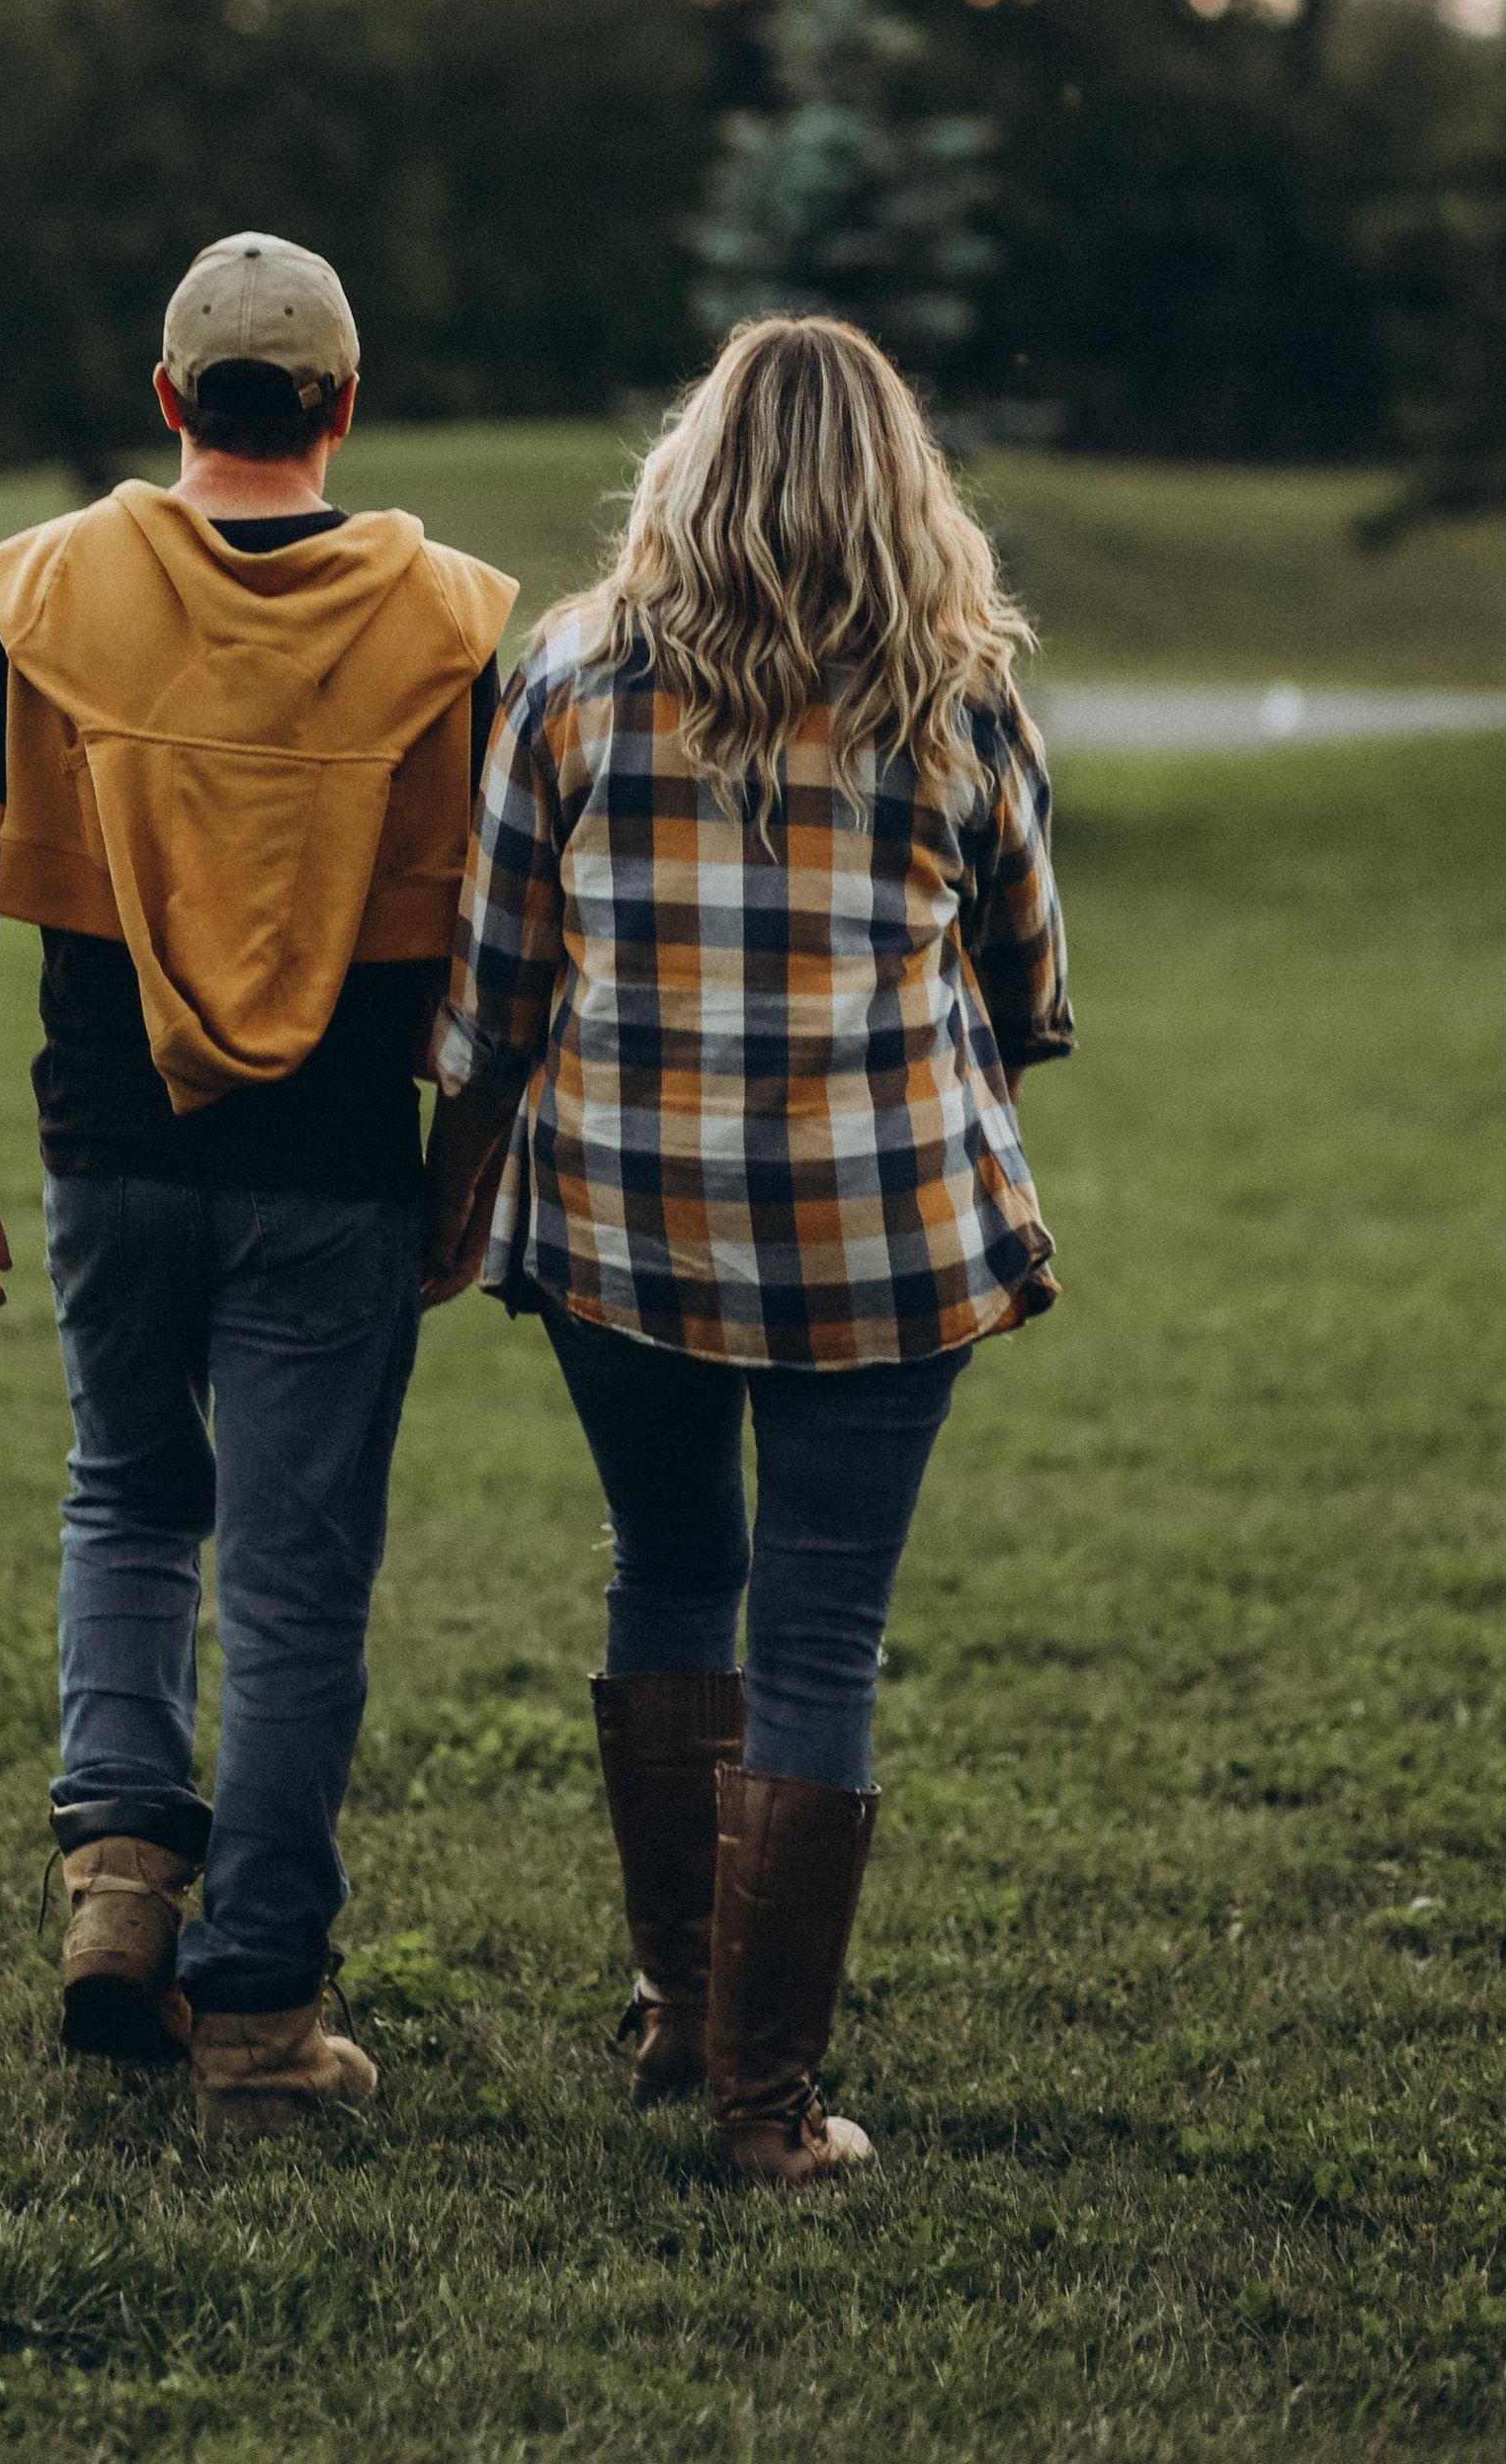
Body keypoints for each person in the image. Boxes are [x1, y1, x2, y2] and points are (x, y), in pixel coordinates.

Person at [423, 314, 1072, 2188]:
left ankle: (685, 2009)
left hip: (623, 1224)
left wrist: (452, 1194)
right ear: (901, 488)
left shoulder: (567, 676)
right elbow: (1026, 984)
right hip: (883, 1234)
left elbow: (495, 995)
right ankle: (765, 2106)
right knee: (819, 1629)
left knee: (668, 1565)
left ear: (686, 470)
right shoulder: (959, 696)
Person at [0, 233, 516, 2141]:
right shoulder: (448, 623)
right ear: (344, 405)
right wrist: (465, 1174)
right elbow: (497, 949)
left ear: (170, 398)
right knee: (299, 1593)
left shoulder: (50, 591)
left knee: (130, 1496)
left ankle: (118, 1881)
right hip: (335, 1173)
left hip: (109, 1151)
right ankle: (257, 2027)